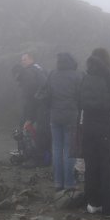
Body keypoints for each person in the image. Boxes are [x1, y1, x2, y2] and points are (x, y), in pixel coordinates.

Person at [80, 48, 110, 218]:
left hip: (88, 125)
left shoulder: (84, 75)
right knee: (107, 167)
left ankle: (93, 203)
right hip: (104, 125)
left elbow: (79, 101)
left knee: (91, 165)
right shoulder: (109, 75)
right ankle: (109, 209)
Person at [46, 52, 83, 190]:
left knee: (56, 149)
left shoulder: (52, 74)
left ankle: (57, 182)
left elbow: (47, 94)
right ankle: (69, 183)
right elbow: (81, 97)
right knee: (69, 150)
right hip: (71, 117)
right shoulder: (77, 75)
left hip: (54, 116)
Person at [12, 52, 50, 167]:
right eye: (21, 60)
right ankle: (42, 156)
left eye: (24, 59)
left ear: (31, 59)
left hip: (38, 106)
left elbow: (30, 97)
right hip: (43, 106)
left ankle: (33, 157)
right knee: (41, 132)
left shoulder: (28, 73)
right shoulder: (39, 70)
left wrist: (29, 117)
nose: (22, 61)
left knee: (26, 130)